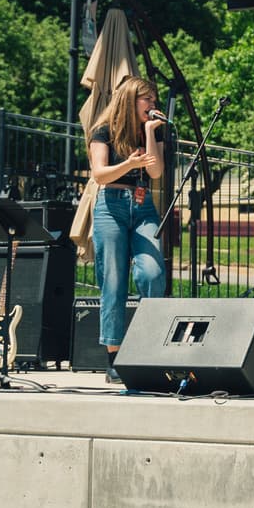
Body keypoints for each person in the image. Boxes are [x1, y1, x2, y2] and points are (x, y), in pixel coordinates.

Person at [88, 75, 167, 382]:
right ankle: (115, 358)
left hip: (143, 204)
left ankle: (149, 347)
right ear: (130, 100)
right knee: (114, 279)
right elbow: (100, 174)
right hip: (111, 205)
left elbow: (156, 171)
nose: (153, 104)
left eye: (154, 100)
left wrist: (149, 133)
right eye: (147, 99)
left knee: (151, 272)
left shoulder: (150, 131)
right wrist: (129, 165)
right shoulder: (104, 130)